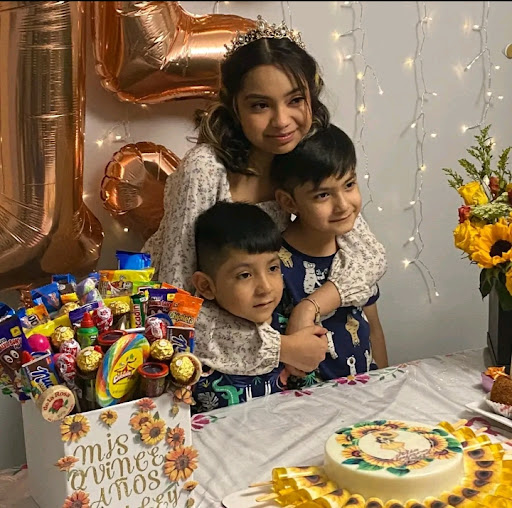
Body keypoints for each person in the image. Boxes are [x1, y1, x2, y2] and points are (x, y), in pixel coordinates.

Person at [143, 16, 386, 376]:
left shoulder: (306, 153)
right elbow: (173, 304)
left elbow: (367, 254)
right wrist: (281, 348)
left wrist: (309, 309)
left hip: (292, 339)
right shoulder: (205, 170)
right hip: (214, 360)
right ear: (234, 107)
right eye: (260, 105)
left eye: (295, 100)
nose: (282, 121)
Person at [271, 124, 388, 386]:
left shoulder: (357, 253)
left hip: (365, 392)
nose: (343, 205)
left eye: (349, 185)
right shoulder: (273, 264)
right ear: (289, 202)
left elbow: (373, 327)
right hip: (309, 401)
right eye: (323, 195)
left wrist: (383, 383)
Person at [190, 201, 326, 412]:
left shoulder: (290, 330)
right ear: (206, 286)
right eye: (245, 275)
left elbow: (311, 399)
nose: (265, 288)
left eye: (272, 268)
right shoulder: (197, 344)